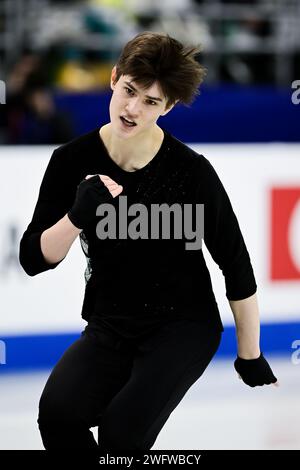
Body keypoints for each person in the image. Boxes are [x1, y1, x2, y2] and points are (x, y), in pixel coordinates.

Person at [19, 31, 278, 453]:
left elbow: (235, 263)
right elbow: (33, 259)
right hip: (110, 325)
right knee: (58, 418)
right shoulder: (70, 161)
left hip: (183, 327)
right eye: (129, 91)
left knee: (121, 436)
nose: (132, 109)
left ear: (169, 106)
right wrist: (74, 217)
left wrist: (249, 354)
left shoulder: (192, 172)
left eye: (151, 102)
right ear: (115, 77)